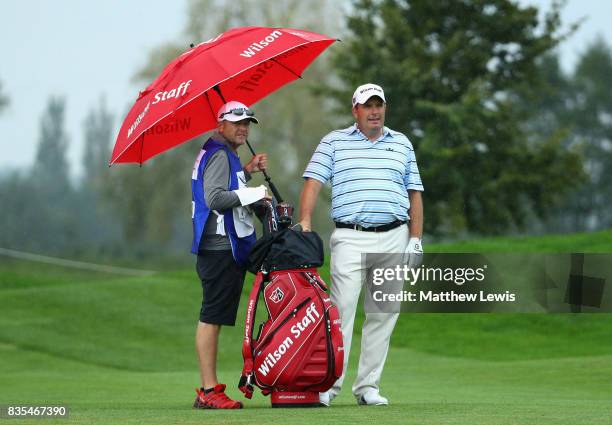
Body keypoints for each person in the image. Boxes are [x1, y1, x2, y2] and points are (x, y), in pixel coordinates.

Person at [298, 83, 424, 406]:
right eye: (367, 106)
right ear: (355, 110)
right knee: (341, 311)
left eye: (379, 105)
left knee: (383, 313)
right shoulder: (334, 142)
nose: (374, 111)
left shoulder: (402, 143)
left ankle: (368, 387)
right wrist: (306, 222)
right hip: (350, 236)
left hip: (394, 236)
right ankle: (329, 385)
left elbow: (415, 194)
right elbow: (313, 183)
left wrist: (415, 240)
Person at [191, 100, 269, 409]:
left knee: (214, 316)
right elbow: (216, 198)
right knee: (211, 317)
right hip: (220, 247)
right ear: (220, 124)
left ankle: (208, 389)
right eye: (236, 122)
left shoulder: (220, 151)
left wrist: (247, 172)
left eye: (247, 122)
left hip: (222, 246)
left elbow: (226, 185)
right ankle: (209, 391)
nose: (243, 127)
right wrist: (256, 193)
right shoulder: (220, 154)